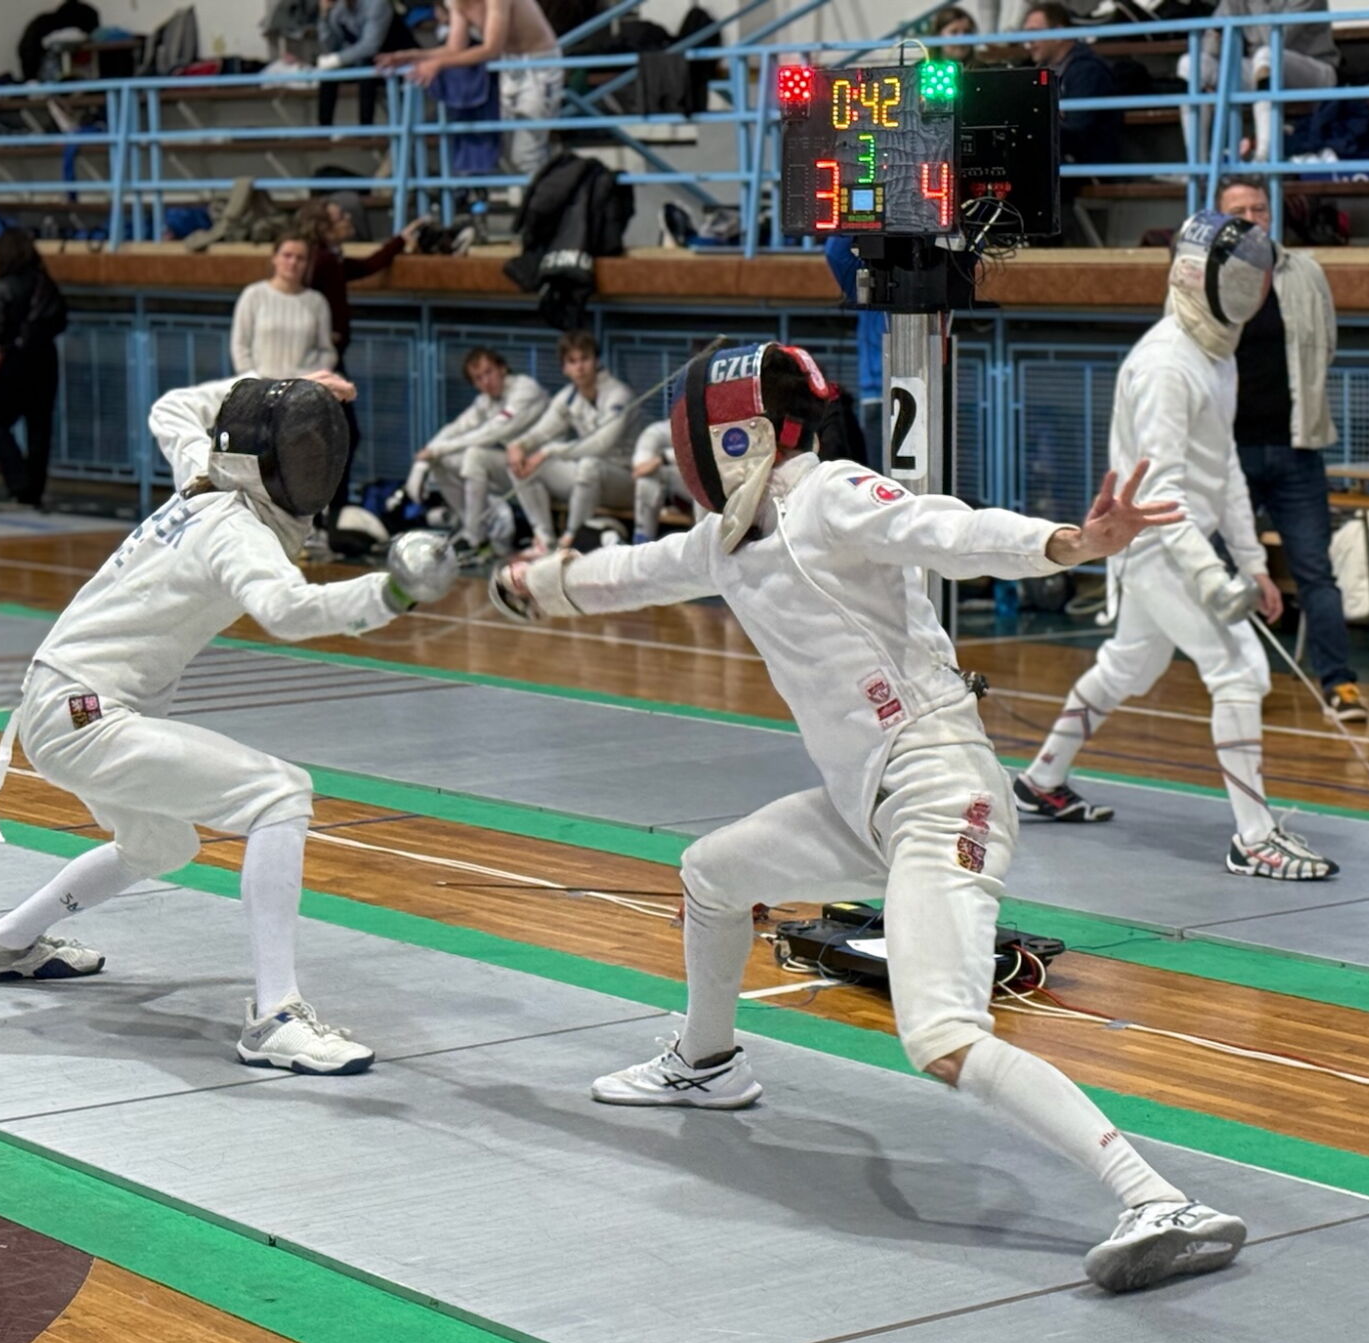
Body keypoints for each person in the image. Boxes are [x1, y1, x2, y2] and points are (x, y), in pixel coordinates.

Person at [488, 342, 1249, 1294]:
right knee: (712, 873)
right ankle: (707, 1061)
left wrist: (1069, 543)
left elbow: (947, 529)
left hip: (940, 789)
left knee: (941, 1035)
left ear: (740, 438)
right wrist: (534, 588)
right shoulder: (730, 539)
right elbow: (630, 572)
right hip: (864, 801)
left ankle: (1159, 1200)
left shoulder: (831, 494)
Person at [0, 376, 457, 1073]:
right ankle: (275, 1016)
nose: (312, 460)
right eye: (298, 446)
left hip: (61, 702)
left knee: (160, 844)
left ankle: (4, 943)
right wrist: (394, 590)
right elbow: (288, 611)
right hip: (86, 715)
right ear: (269, 462)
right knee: (280, 793)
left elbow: (171, 408)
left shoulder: (204, 473)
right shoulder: (237, 531)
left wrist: (281, 389)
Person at [1017, 213, 1337, 881]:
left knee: (1128, 666)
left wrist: (1252, 562)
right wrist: (1211, 576)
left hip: (1178, 544)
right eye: (1244, 277)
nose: (1255, 290)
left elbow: (1222, 468)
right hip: (1157, 545)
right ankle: (1255, 839)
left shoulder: (1213, 354)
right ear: (1203, 280)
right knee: (1240, 671)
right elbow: (1161, 490)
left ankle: (1040, 780)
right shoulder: (1167, 364)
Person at [1216, 177, 1361, 722]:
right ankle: (1234, 680)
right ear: (1222, 219)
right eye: (1239, 210)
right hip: (1229, 453)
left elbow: (1327, 344)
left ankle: (1340, 684)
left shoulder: (1306, 272)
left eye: (1259, 208)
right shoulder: (1205, 275)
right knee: (1223, 569)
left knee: (1316, 572)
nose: (1252, 218)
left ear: (1271, 215)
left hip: (1298, 449)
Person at [295, 200, 427, 519]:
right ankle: (331, 508)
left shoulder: (330, 259)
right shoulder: (321, 261)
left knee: (340, 435)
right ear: (324, 226)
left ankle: (332, 506)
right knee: (341, 435)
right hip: (321, 361)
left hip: (330, 358)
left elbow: (366, 266)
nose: (348, 218)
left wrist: (400, 240)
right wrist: (325, 338)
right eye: (340, 216)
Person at [378, 0, 561, 183]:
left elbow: (491, 48)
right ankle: (543, 189)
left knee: (526, 153)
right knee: (509, 151)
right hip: (510, 65)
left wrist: (438, 64)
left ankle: (548, 194)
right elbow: (454, 48)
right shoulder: (456, 2)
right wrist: (411, 56)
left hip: (539, 64)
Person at [408, 347, 548, 554]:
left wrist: (437, 449)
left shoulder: (525, 388)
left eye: (489, 372)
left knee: (475, 455)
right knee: (441, 461)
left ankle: (474, 537)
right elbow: (456, 428)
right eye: (478, 378)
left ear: (502, 368)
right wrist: (423, 461)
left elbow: (493, 431)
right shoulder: (485, 402)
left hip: (545, 466)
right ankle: (472, 529)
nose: (486, 382)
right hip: (514, 469)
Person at [506, 332, 635, 555]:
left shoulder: (619, 394)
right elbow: (542, 431)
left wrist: (549, 451)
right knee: (522, 466)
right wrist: (519, 445)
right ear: (564, 368)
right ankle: (544, 539)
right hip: (589, 480)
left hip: (625, 480)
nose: (580, 367)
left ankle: (571, 541)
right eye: (572, 361)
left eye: (585, 359)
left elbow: (601, 443)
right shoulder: (567, 397)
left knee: (589, 465)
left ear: (596, 360)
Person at [1184, 0, 1342, 166]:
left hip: (1317, 71)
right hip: (1261, 67)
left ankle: (1263, 159)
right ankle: (1197, 167)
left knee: (1266, 54)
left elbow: (1274, 37)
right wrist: (1216, 36)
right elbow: (1209, 43)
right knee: (1193, 65)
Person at [0, 229, 68, 512]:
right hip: (45, 358)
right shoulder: (45, 283)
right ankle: (34, 490)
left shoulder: (3, 287)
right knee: (39, 427)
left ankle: (18, 480)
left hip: (14, 360)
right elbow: (60, 320)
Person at [1022, 2, 1120, 239]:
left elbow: (1078, 131)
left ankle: (1047, 244)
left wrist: (1043, 122)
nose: (1028, 42)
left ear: (1059, 32)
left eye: (1035, 33)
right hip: (1057, 158)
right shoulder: (1035, 71)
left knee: (1035, 173)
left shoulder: (1087, 70)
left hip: (1087, 165)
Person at [230, 236, 337, 381]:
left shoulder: (317, 302)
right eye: (287, 255)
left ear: (307, 264)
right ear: (275, 258)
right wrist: (252, 380)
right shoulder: (254, 295)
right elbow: (240, 345)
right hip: (261, 384)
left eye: (300, 258)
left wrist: (312, 380)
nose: (293, 262)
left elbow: (326, 350)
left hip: (303, 386)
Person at [315, 0, 415, 128]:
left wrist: (338, 59)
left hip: (396, 59)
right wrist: (324, 17)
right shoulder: (339, 8)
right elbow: (331, 46)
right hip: (364, 60)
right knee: (329, 72)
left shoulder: (378, 4)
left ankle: (366, 128)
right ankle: (324, 128)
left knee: (366, 68)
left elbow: (370, 46)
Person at [629, 415, 692, 544]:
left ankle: (703, 545)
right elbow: (640, 468)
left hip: (711, 492)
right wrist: (658, 461)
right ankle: (642, 541)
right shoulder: (658, 431)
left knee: (702, 481)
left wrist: (664, 457)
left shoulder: (710, 423)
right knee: (646, 480)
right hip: (679, 491)